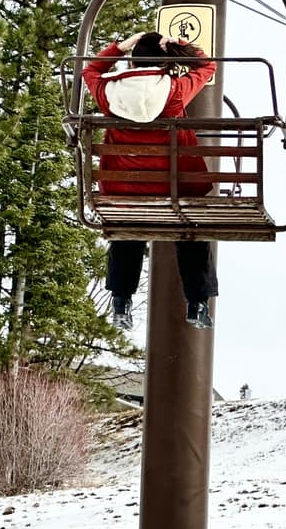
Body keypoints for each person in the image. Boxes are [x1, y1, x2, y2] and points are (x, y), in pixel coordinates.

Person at [82, 30, 217, 331]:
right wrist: (180, 44)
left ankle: (121, 301)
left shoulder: (109, 93)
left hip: (124, 191)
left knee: (128, 227)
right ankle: (197, 303)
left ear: (132, 61)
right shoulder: (175, 92)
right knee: (190, 227)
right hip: (175, 190)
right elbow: (207, 65)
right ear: (165, 62)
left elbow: (90, 70)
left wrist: (120, 46)